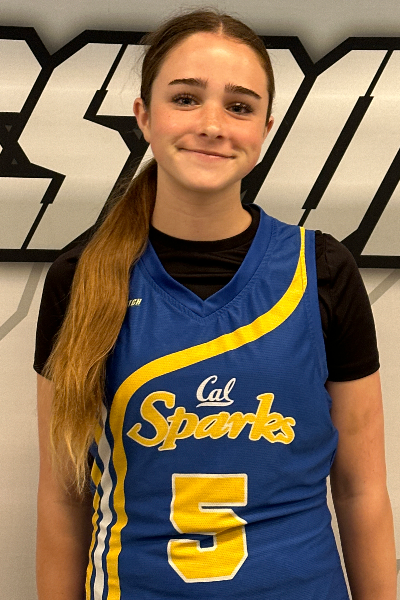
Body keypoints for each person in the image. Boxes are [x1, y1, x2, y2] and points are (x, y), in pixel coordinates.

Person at [35, 9, 397, 600]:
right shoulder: (80, 278)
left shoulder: (323, 273)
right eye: (185, 98)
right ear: (143, 116)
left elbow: (361, 490)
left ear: (265, 129)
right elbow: (63, 496)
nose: (212, 124)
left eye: (239, 106)